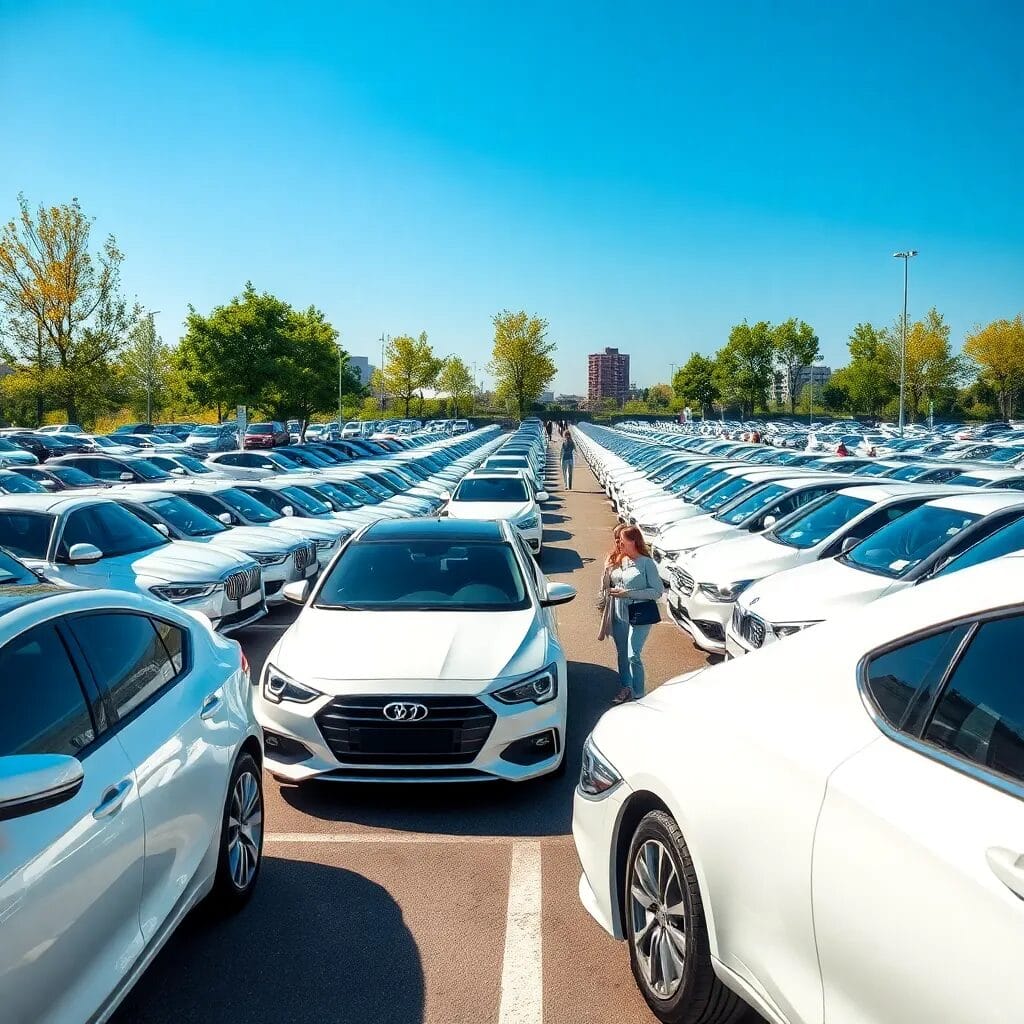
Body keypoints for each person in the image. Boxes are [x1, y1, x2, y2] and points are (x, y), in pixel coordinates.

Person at [598, 526, 662, 704]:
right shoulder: (616, 560)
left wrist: (629, 593)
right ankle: (626, 687)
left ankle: (640, 694)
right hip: (619, 611)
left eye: (621, 540)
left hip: (639, 612)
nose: (618, 543)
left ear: (634, 541)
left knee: (633, 654)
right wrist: (606, 570)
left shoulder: (646, 563)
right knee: (622, 653)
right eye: (617, 540)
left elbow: (657, 591)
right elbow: (605, 587)